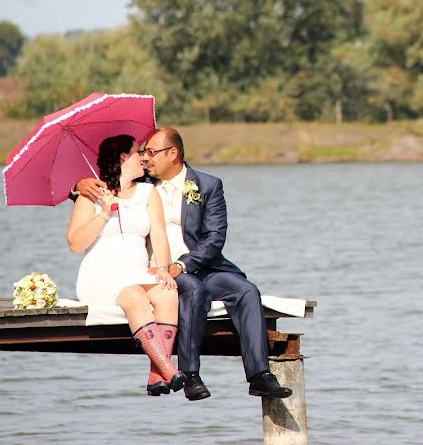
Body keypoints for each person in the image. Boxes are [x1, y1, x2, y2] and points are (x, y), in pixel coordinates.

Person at [75, 127, 292, 402]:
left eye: (152, 152)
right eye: (143, 152)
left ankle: (259, 375)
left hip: (200, 265)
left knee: (247, 291)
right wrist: (78, 185)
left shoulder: (208, 185)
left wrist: (182, 265)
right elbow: (106, 187)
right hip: (156, 271)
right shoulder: (142, 185)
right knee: (193, 291)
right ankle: (190, 374)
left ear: (173, 153)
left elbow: (215, 238)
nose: (145, 158)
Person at [67, 133, 186, 396]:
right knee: (134, 296)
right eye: (138, 152)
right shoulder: (91, 194)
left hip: (137, 273)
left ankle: (157, 375)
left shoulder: (147, 192)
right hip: (102, 277)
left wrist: (164, 269)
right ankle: (170, 369)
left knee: (168, 292)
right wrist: (104, 213)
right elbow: (75, 243)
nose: (144, 157)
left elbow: (158, 234)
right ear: (123, 157)